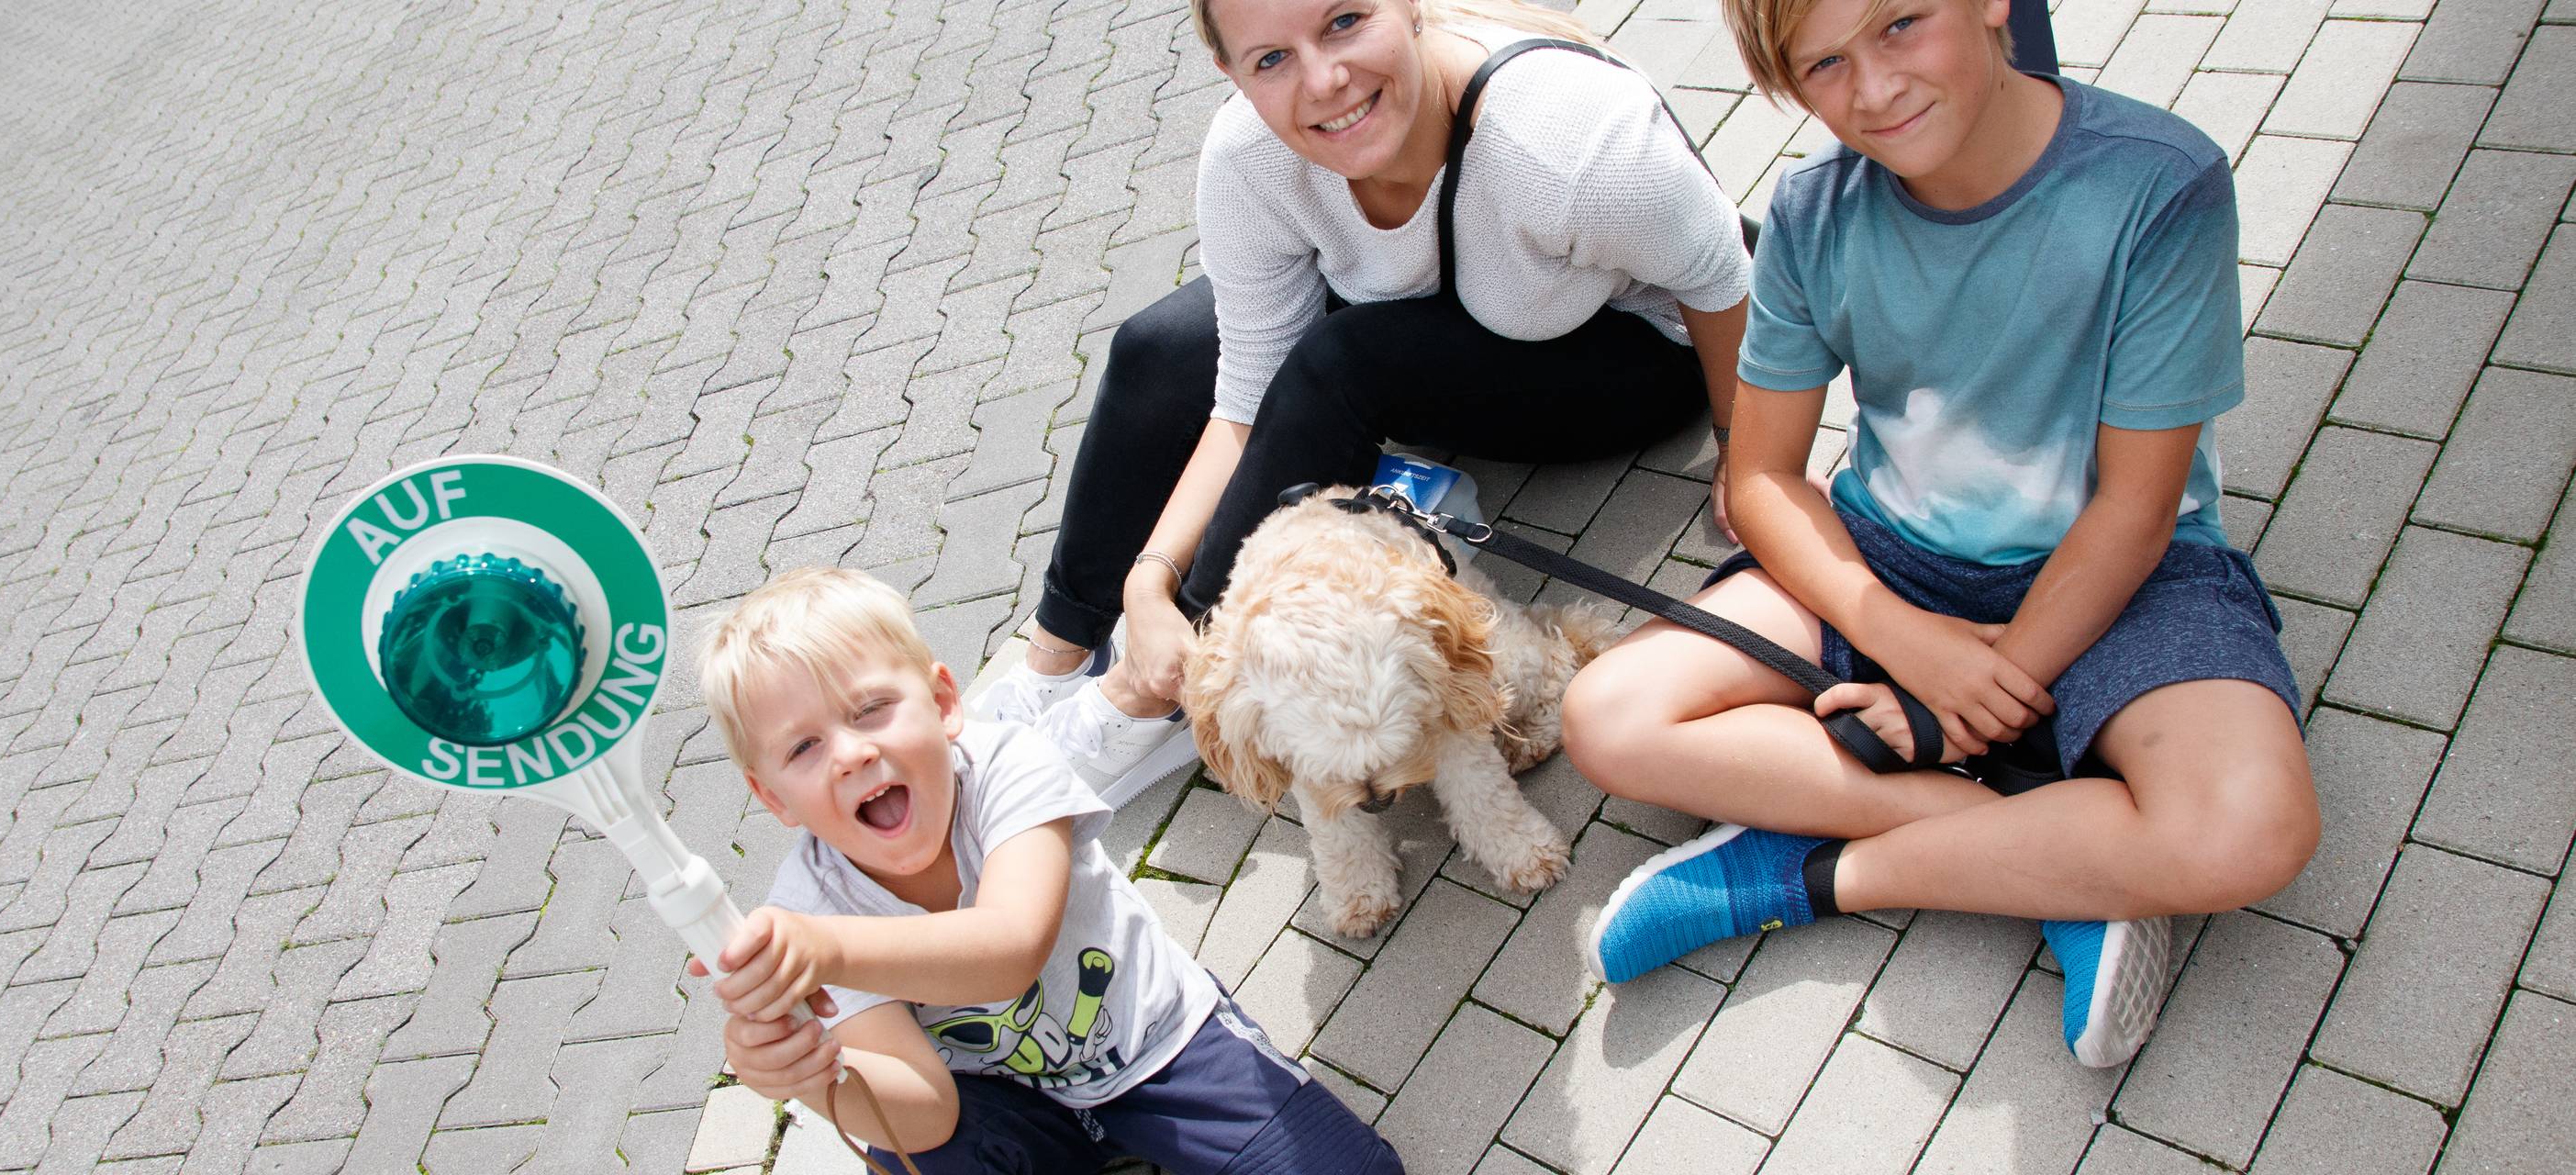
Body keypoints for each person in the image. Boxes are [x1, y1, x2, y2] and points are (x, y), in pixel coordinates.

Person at [1563, 0, 2316, 1069]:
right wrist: (1904, 638)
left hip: (2124, 576)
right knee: (1609, 716)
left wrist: (1964, 695)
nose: (1872, 90)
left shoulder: (2160, 181)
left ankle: (1804, 873)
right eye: (1824, 62)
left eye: (1902, 25)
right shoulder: (1816, 211)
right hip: (1893, 554)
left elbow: (2135, 509)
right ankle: (2066, 860)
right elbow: (1766, 477)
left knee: (2255, 827)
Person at [984, 0, 1756, 804]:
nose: (1323, 80)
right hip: (1448, 314)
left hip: (1630, 351)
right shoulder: (1251, 156)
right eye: (1271, 59)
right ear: (1231, 72)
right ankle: (1058, 654)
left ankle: (1178, 688)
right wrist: (1147, 584)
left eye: (1345, 21)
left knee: (1339, 362)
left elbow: (1726, 278)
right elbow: (1245, 389)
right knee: (1162, 345)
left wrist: (1746, 449)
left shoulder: (1561, 141)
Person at [690, 568, 1401, 1172]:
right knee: (914, 1153)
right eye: (804, 748)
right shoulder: (808, 907)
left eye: (871, 709)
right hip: (998, 1104)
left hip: (1151, 1040)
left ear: (943, 705)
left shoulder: (1009, 765)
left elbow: (1009, 949)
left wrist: (828, 953)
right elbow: (927, 1117)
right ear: (772, 797)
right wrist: (812, 1076)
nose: (849, 754)